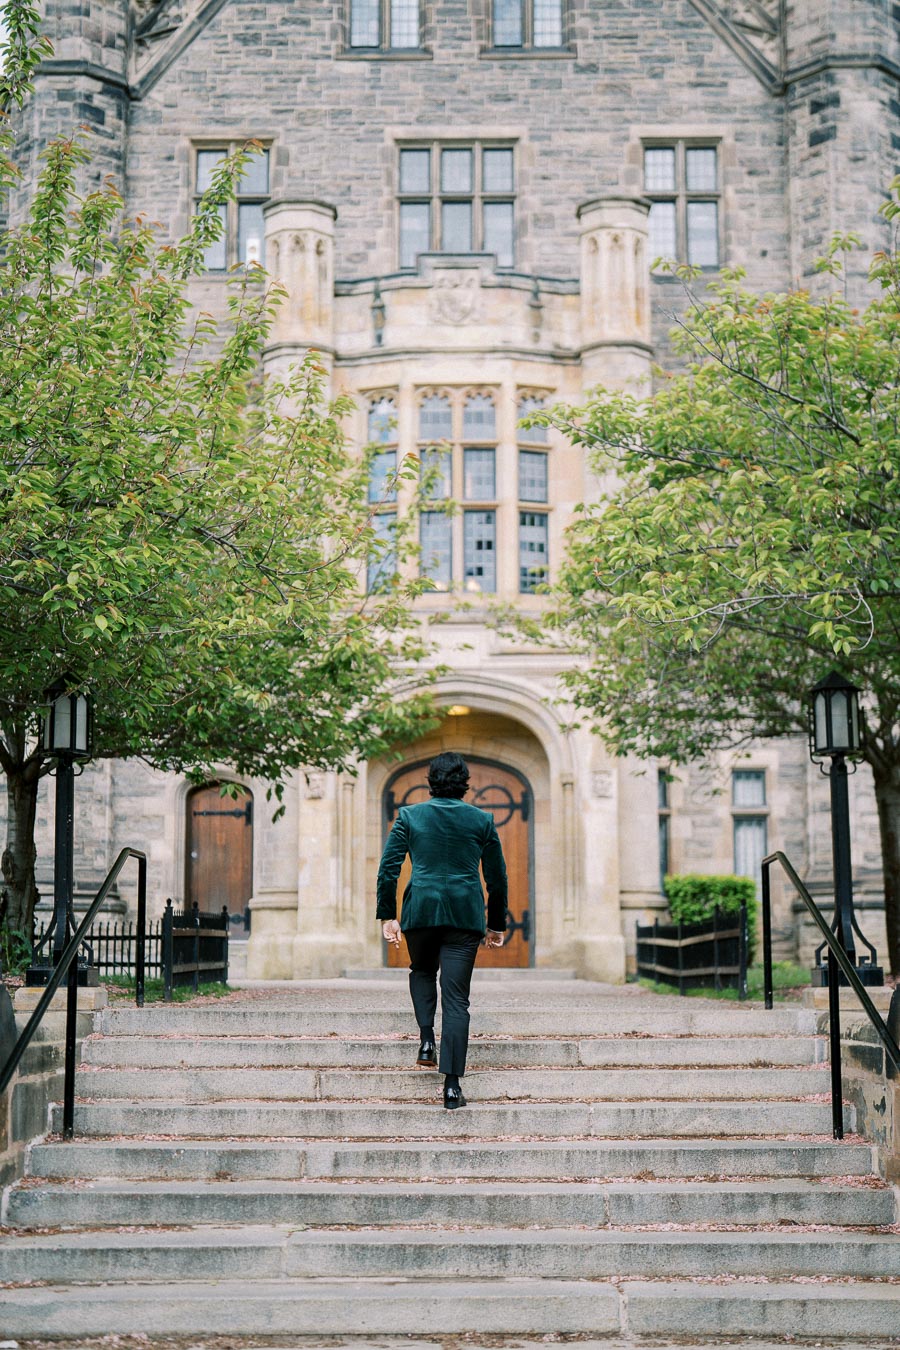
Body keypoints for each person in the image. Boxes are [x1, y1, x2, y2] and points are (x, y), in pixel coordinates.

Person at [376, 751, 508, 1109]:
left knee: (421, 970)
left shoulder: (410, 816)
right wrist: (497, 924)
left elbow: (389, 869)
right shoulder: (482, 819)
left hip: (421, 910)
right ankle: (451, 1085)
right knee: (457, 1000)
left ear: (430, 781)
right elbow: (496, 878)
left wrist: (388, 915)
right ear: (465, 783)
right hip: (464, 915)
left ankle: (425, 1039)